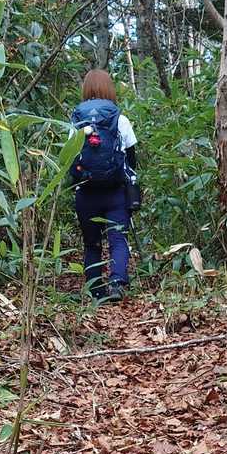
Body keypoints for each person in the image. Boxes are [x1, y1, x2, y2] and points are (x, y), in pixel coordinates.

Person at [68, 69, 140, 303]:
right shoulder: (120, 119)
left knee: (92, 244)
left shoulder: (77, 120)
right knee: (118, 239)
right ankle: (117, 283)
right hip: (115, 191)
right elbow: (131, 159)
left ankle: (96, 291)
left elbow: (70, 157)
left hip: (86, 191)